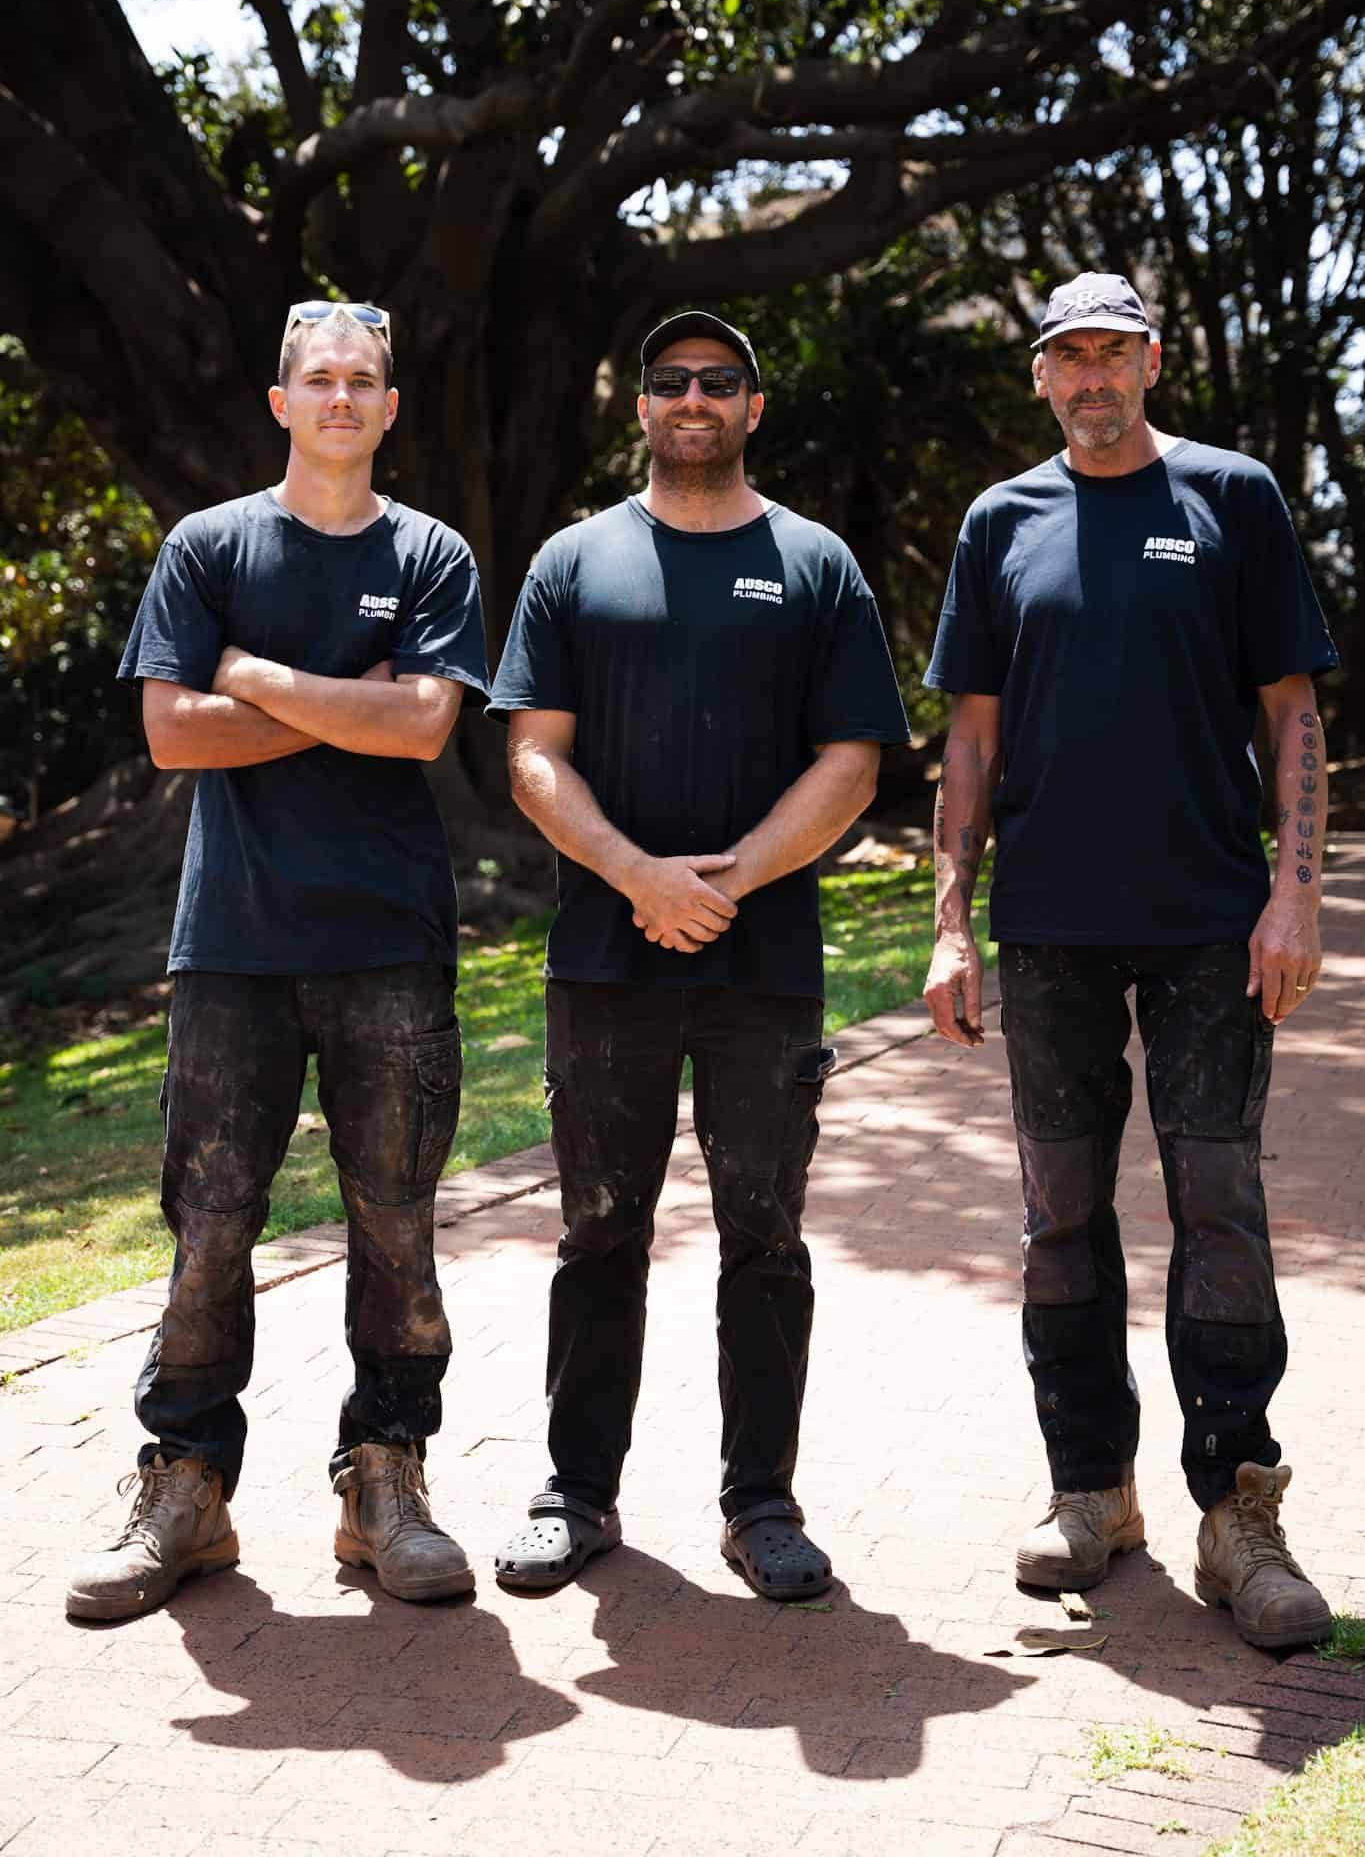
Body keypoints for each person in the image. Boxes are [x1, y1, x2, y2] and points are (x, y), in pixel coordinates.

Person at [922, 270, 1339, 1650]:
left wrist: (1293, 896)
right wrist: (945, 919)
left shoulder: (1231, 500)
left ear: (1150, 361)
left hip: (1208, 922)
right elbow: (967, 739)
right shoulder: (1001, 522)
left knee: (1217, 1206)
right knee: (1057, 1215)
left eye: (1113, 352)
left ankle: (1236, 1511)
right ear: (1038, 375)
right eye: (1067, 357)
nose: (1091, 377)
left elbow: (1290, 711)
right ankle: (1089, 1490)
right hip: (1046, 927)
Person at [66, 300, 490, 1621]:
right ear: (280, 401)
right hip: (233, 950)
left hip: (389, 947)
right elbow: (171, 737)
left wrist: (250, 674)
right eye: (321, 379)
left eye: (365, 379)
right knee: (208, 1226)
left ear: (389, 406)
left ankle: (387, 1483)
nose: (344, 399)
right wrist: (334, 699)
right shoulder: (208, 546)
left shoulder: (430, 555)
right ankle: (185, 1489)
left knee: (397, 1225)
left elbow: (420, 725)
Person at [486, 311, 908, 1600]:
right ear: (642, 404)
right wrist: (637, 877)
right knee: (598, 1233)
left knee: (764, 1236)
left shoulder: (819, 565)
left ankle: (761, 1505)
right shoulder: (574, 562)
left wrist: (733, 880)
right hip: (604, 962)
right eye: (670, 380)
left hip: (763, 962)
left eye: (719, 382)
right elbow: (531, 753)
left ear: (753, 408)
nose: (694, 399)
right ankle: (577, 1492)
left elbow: (853, 760)